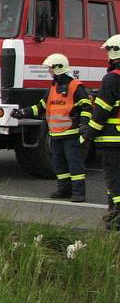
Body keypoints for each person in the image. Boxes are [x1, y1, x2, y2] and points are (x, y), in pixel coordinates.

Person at [10, 54, 91, 202]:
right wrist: (22, 113)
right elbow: (41, 106)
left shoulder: (75, 86)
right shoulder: (53, 87)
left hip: (71, 134)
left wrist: (84, 123)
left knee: (74, 165)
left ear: (58, 68)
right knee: (59, 165)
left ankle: (79, 193)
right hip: (55, 134)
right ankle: (64, 190)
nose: (49, 71)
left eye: (50, 68)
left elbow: (86, 105)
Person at [81, 34, 120, 230]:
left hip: (112, 139)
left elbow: (101, 112)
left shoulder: (112, 79)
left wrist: (88, 135)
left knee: (113, 177)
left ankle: (117, 214)